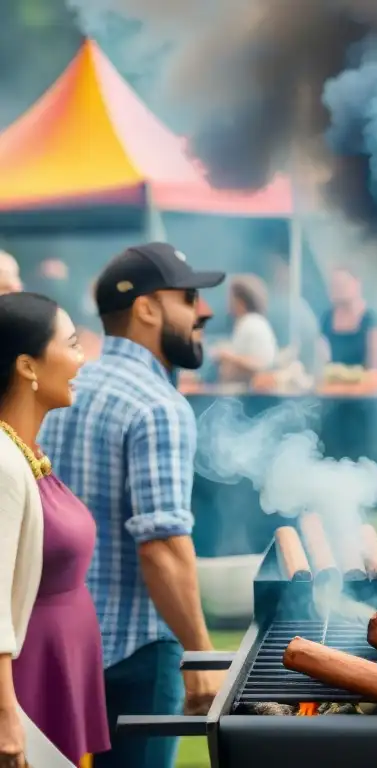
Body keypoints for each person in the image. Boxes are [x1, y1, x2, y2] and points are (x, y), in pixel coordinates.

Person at [38, 243, 227, 768]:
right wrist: (200, 652)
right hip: (138, 654)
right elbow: (162, 545)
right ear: (147, 308)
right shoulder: (158, 405)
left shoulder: (66, 387)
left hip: (61, 643)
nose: (204, 311)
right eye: (189, 297)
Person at [0, 292, 108, 767]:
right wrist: (7, 719)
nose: (82, 358)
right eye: (71, 344)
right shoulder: (3, 462)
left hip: (59, 665)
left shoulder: (26, 450)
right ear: (28, 366)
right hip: (26, 680)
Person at [213, 274, 278, 383]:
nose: (228, 305)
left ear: (240, 302)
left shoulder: (250, 324)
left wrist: (227, 355)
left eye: (231, 299)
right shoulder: (257, 322)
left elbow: (261, 363)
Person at [321, 266, 377, 368]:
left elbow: (375, 366)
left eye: (343, 284)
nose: (339, 290)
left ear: (357, 284)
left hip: (363, 382)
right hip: (330, 382)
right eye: (335, 286)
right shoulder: (326, 319)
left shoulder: (371, 320)